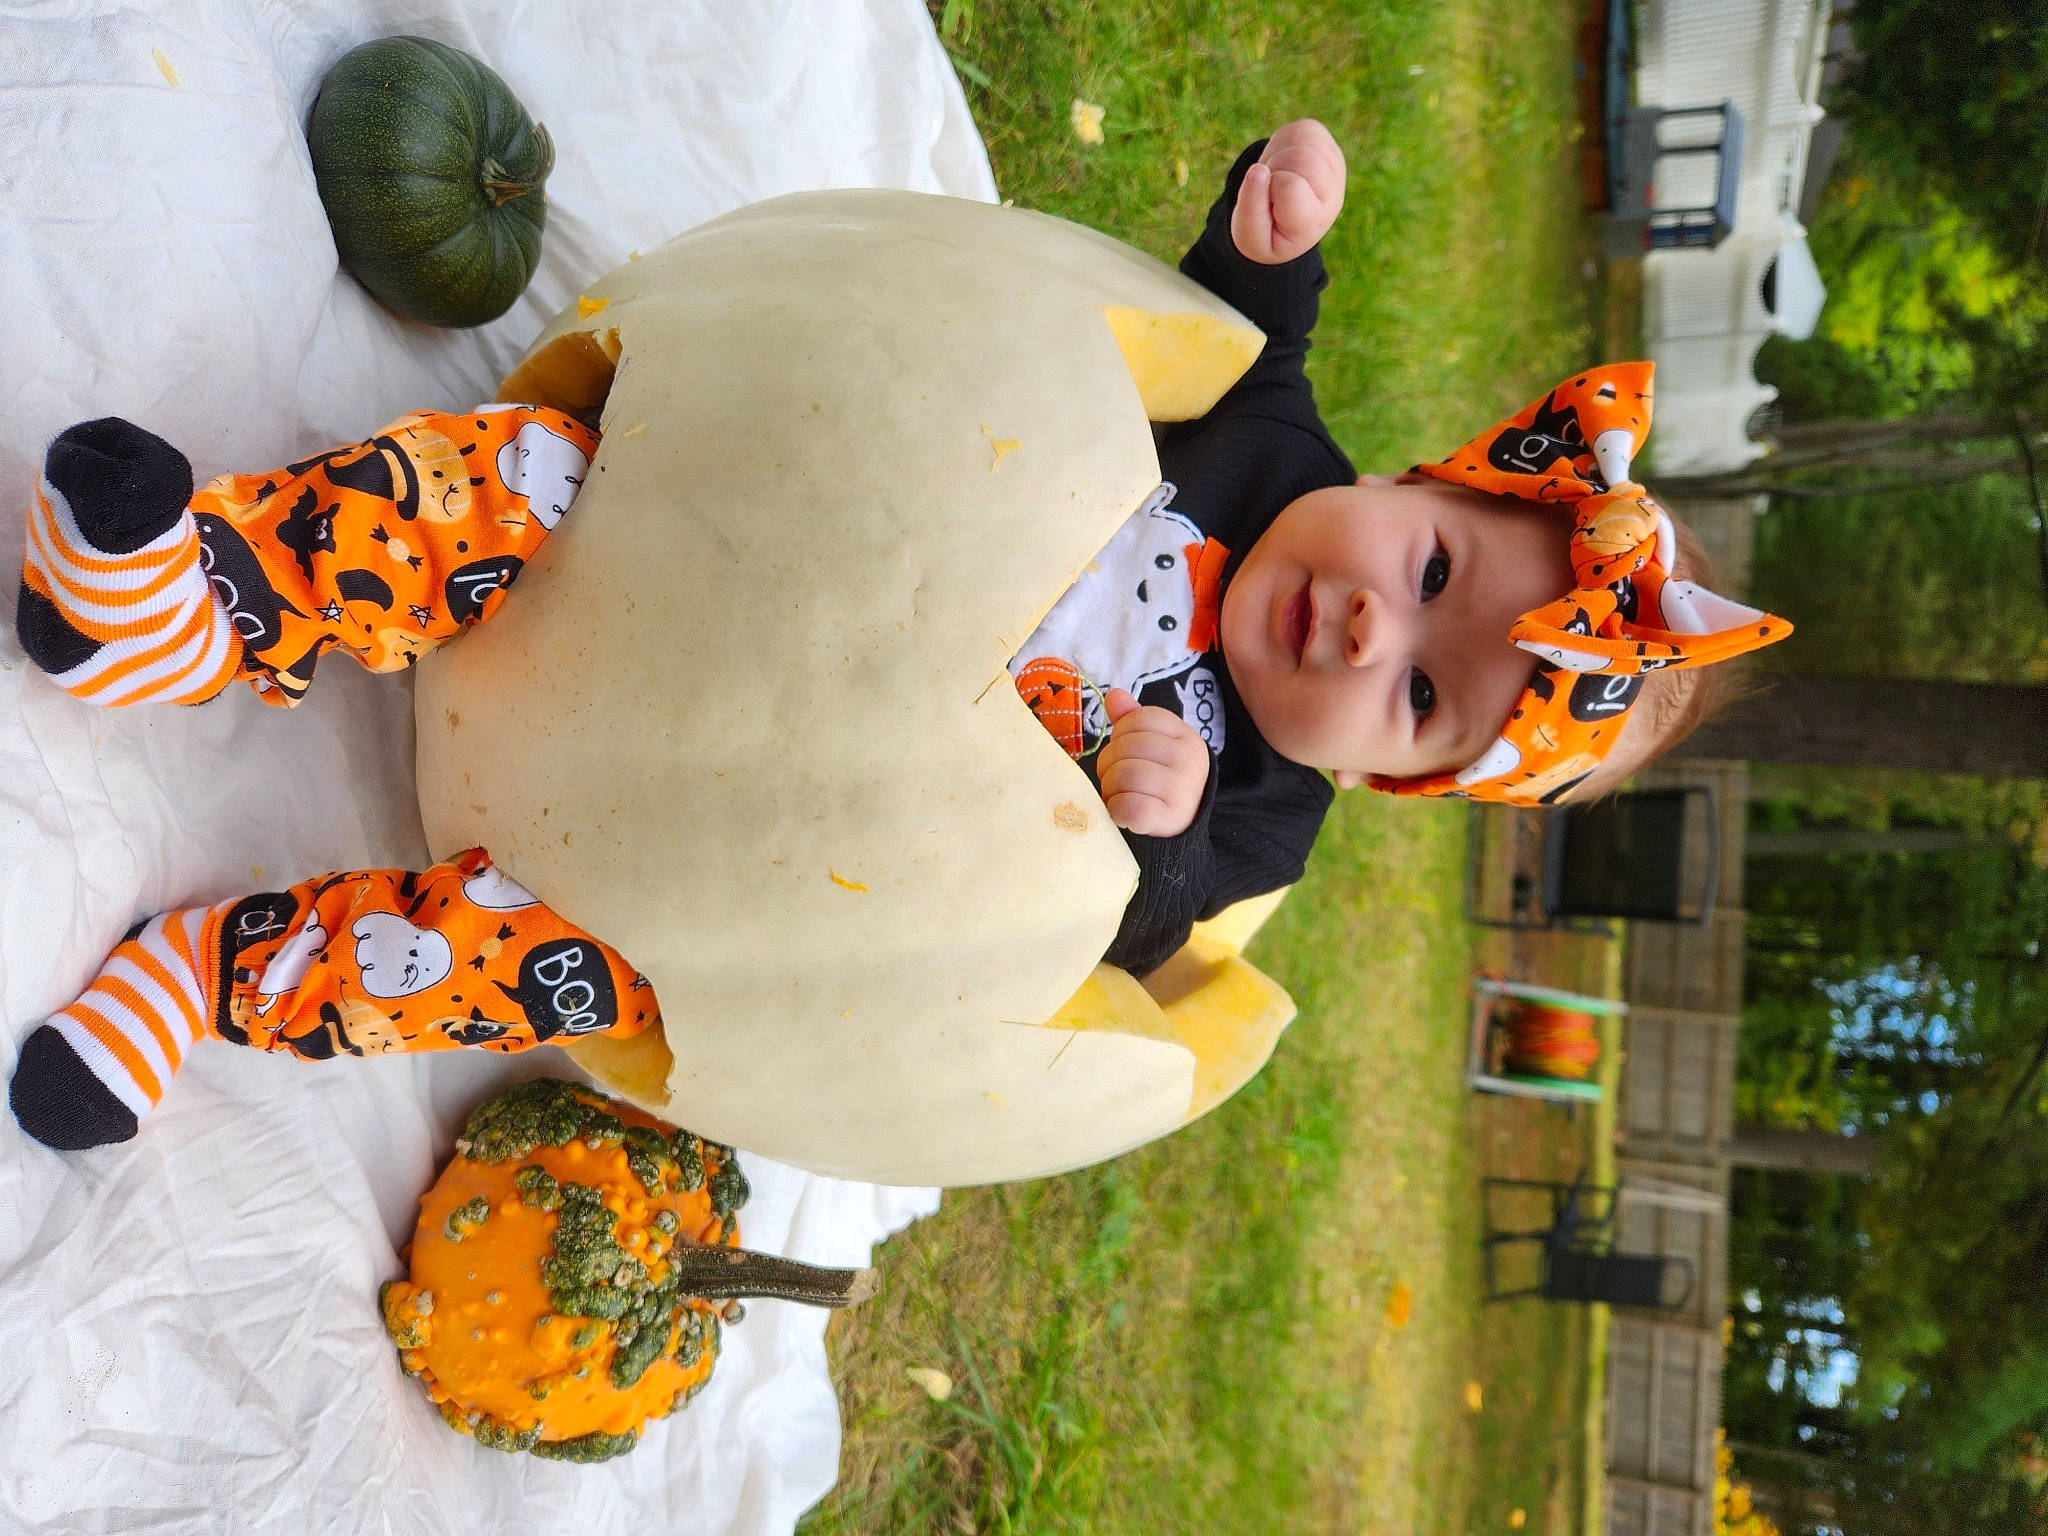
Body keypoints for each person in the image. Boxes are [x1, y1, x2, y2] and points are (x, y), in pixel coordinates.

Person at [6, 121, 1788, 1150]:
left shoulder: (1258, 821)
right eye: (1432, 565)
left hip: (692, 846)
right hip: (676, 537)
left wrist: (1144, 832)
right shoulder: (1262, 445)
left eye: (1416, 694)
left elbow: (1131, 946)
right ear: (1416, 476)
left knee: (556, 969)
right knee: (531, 467)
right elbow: (1238, 314)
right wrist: (1276, 218)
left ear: (1392, 778)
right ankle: (210, 601)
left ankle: (209, 988)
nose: (1369, 624)